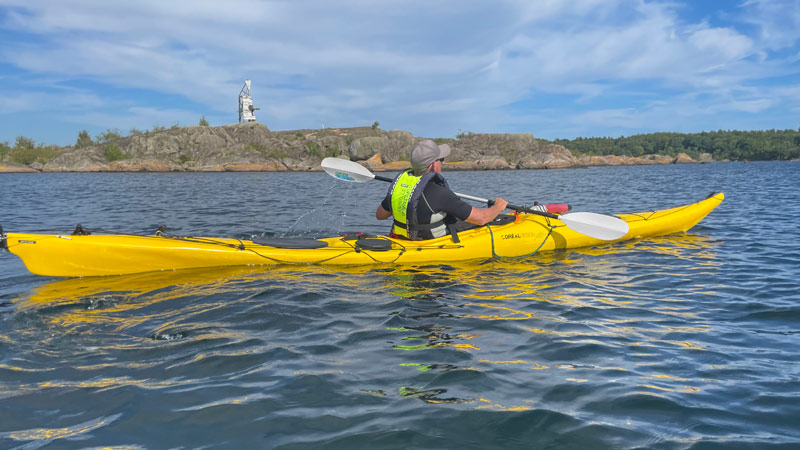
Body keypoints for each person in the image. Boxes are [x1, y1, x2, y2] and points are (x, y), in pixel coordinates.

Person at [376, 139, 509, 241]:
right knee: (489, 220)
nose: (443, 163)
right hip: (431, 246)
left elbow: (380, 215)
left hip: (404, 241)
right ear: (434, 164)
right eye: (441, 160)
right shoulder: (439, 193)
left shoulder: (399, 189)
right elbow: (481, 218)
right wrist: (498, 207)